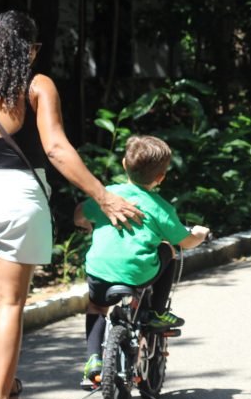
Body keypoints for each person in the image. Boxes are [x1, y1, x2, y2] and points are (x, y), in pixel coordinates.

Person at [0, 11, 143, 399]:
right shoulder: (36, 86)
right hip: (18, 199)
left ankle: (6, 388)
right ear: (27, 48)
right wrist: (104, 195)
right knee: (8, 304)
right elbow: (57, 149)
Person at [74, 135, 209, 385]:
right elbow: (185, 242)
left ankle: (93, 360)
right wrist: (200, 234)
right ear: (161, 178)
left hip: (99, 271)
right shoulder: (160, 208)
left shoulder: (106, 196)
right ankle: (157, 311)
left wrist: (85, 225)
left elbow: (79, 213)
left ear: (124, 164)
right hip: (138, 273)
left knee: (96, 308)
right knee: (168, 249)